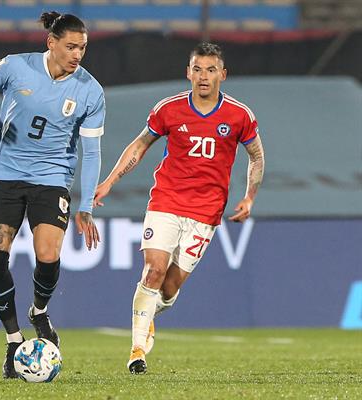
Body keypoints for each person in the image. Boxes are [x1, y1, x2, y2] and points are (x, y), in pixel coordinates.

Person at [94, 42, 265, 374]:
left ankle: (150, 314)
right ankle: (138, 349)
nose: (203, 76)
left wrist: (249, 197)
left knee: (169, 288)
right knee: (153, 270)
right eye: (197, 69)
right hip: (166, 200)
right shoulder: (169, 109)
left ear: (223, 75)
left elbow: (256, 156)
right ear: (188, 72)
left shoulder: (239, 116)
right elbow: (140, 144)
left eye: (211, 69)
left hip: (206, 212)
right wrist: (110, 180)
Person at [0, 11, 105, 379]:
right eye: (70, 46)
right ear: (50, 42)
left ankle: (39, 310)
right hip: (3, 173)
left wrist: (85, 204)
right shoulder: (15, 67)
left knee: (48, 253)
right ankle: (12, 341)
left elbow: (93, 152)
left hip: (52, 177)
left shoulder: (90, 91)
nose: (77, 54)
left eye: (82, 48)